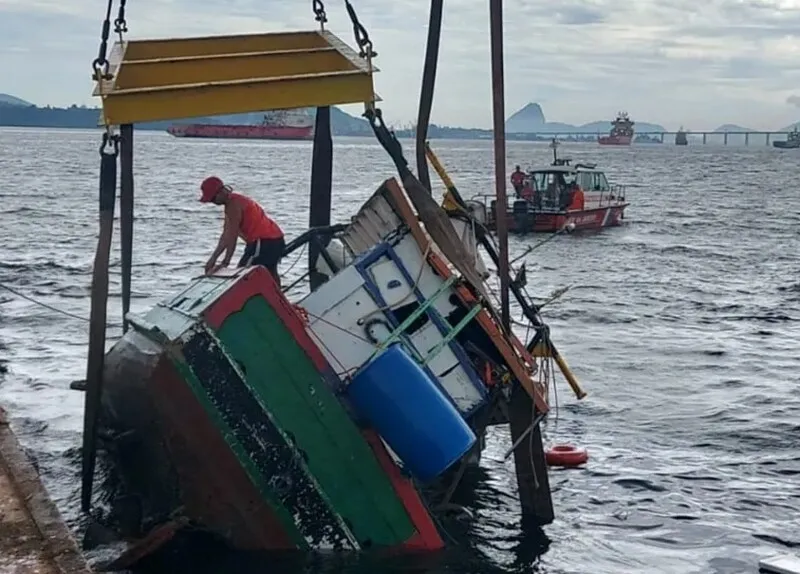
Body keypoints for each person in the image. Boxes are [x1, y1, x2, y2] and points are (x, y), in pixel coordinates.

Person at [199, 176, 285, 286]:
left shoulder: (233, 205)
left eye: (212, 199)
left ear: (221, 192)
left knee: (243, 274)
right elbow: (226, 235)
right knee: (270, 272)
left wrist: (225, 262)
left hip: (264, 241)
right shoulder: (232, 203)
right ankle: (277, 298)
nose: (213, 202)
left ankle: (273, 298)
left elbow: (232, 237)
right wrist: (213, 259)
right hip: (275, 238)